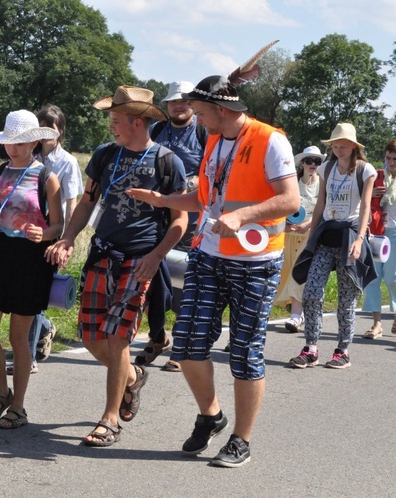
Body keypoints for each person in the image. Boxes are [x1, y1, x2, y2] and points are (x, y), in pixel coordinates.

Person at [129, 57, 300, 466]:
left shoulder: (269, 140)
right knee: (188, 346)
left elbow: (290, 200)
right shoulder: (213, 139)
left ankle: (241, 439)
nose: (198, 121)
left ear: (222, 111)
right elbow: (207, 199)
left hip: (256, 262)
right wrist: (164, 200)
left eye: (202, 113)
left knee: (244, 353)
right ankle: (211, 416)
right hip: (207, 255)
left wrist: (242, 216)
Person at [47, 85, 187, 447]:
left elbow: (179, 221)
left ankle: (109, 419)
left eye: (116, 120)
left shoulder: (167, 161)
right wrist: (68, 237)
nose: (111, 126)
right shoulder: (104, 155)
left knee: (118, 336)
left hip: (140, 260)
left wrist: (156, 257)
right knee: (92, 338)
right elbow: (87, 202)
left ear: (138, 122)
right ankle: (133, 376)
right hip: (102, 253)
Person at [0, 109, 63, 429]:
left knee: (18, 338)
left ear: (34, 142)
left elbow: (59, 226)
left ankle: (19, 407)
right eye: (9, 141)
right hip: (0, 252)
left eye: (20, 142)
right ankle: (1, 392)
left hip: (31, 259)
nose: (13, 148)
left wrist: (44, 234)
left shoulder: (47, 177)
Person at [290, 123, 377, 370]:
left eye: (343, 146)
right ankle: (311, 348)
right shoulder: (326, 168)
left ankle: (343, 350)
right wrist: (310, 228)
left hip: (350, 237)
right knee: (311, 292)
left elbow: (366, 207)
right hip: (326, 234)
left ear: (353, 146)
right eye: (335, 146)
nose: (338, 150)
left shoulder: (365, 170)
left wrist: (360, 239)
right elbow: (321, 203)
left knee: (346, 298)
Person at [7, 104, 83, 375]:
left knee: (35, 293)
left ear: (60, 131)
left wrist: (66, 241)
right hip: (24, 234)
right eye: (42, 127)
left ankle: (27, 357)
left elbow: (71, 204)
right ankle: (44, 329)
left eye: (52, 127)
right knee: (23, 293)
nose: (48, 133)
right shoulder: (27, 157)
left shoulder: (68, 163)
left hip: (51, 234)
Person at [138, 80, 208, 372]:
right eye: (173, 102)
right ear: (166, 106)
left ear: (193, 105)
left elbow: (214, 172)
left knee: (186, 282)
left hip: (192, 221)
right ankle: (158, 335)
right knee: (154, 279)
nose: (178, 106)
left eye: (184, 101)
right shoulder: (157, 131)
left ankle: (181, 345)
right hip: (158, 219)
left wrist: (187, 184)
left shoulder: (204, 133)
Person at [275, 146, 324, 333]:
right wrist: (284, 225)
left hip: (310, 237)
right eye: (309, 161)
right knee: (284, 274)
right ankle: (299, 312)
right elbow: (282, 205)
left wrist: (309, 224)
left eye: (317, 161)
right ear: (302, 163)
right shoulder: (293, 183)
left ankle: (295, 316)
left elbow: (325, 209)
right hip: (288, 235)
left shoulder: (322, 184)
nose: (313, 165)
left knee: (299, 273)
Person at [361, 140, 396, 339]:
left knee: (393, 278)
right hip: (376, 232)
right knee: (373, 277)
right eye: (388, 158)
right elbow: (360, 197)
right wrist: (371, 193)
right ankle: (377, 324)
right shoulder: (377, 176)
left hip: (395, 233)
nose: (391, 163)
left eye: (395, 159)